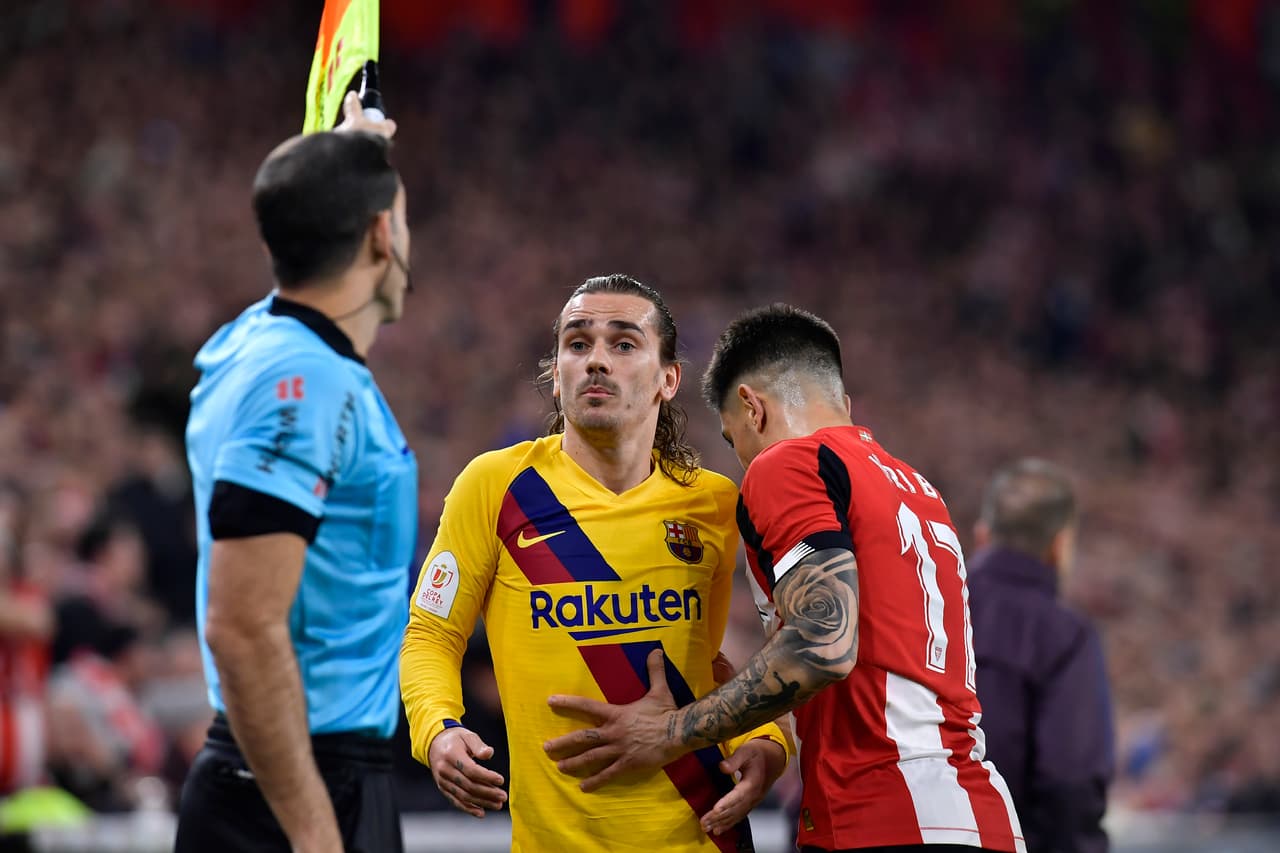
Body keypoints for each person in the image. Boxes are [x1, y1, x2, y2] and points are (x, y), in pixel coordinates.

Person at [544, 303, 1025, 853]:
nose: (743, 460)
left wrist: (671, 732)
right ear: (840, 403)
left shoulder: (788, 462)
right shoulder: (916, 489)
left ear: (751, 408)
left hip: (885, 812)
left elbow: (823, 642)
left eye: (732, 441)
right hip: (978, 811)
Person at [400, 274, 790, 852]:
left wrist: (763, 743)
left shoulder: (713, 503)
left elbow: (711, 660)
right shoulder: (496, 487)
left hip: (704, 834)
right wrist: (439, 730)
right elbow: (431, 634)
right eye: (578, 344)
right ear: (556, 378)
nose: (596, 361)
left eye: (624, 344)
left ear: (668, 379)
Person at [174, 92, 418, 853]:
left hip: (302, 773)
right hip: (298, 786)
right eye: (403, 217)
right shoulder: (307, 382)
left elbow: (299, 224)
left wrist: (345, 152)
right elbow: (243, 626)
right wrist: (316, 836)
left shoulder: (256, 340)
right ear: (381, 234)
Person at [967, 460, 1114, 853]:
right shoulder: (1064, 636)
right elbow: (1070, 783)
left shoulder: (920, 607)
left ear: (983, 536)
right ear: (1060, 546)